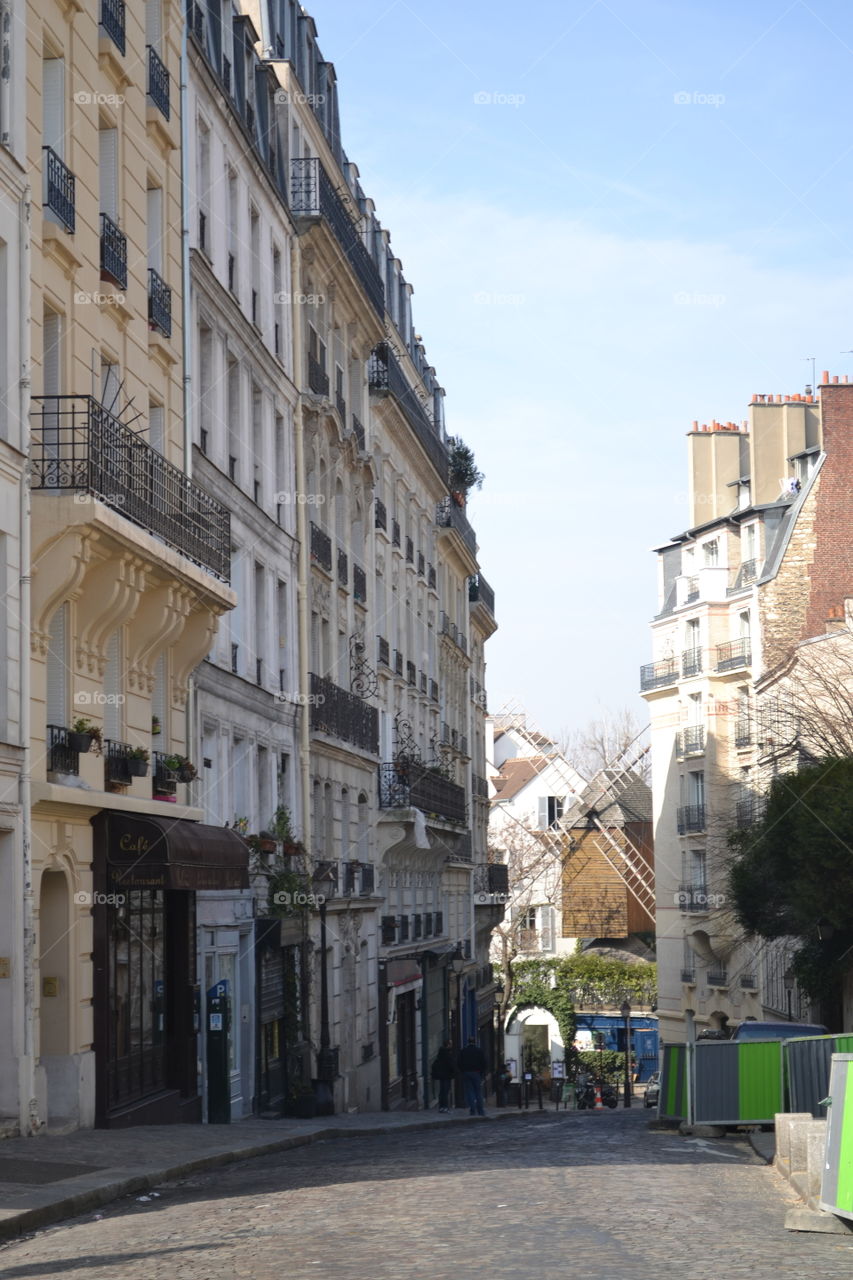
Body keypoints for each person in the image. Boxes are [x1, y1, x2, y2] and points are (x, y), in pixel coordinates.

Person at [457, 1036, 487, 1116]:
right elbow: (484, 1063)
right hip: (476, 1073)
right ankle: (480, 1110)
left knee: (470, 1091)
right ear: (475, 1041)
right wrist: (482, 1072)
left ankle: (472, 1109)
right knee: (478, 1092)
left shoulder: (463, 1051)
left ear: (468, 1041)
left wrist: (463, 1071)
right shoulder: (479, 1051)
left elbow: (459, 1062)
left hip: (466, 1072)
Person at [431, 1039, 455, 1112]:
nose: (451, 1045)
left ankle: (441, 1107)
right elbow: (451, 1065)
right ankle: (445, 1107)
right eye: (450, 1044)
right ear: (448, 1045)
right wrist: (455, 1072)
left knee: (442, 1091)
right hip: (446, 1076)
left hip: (441, 1076)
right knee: (445, 1091)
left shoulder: (440, 1054)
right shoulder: (447, 1054)